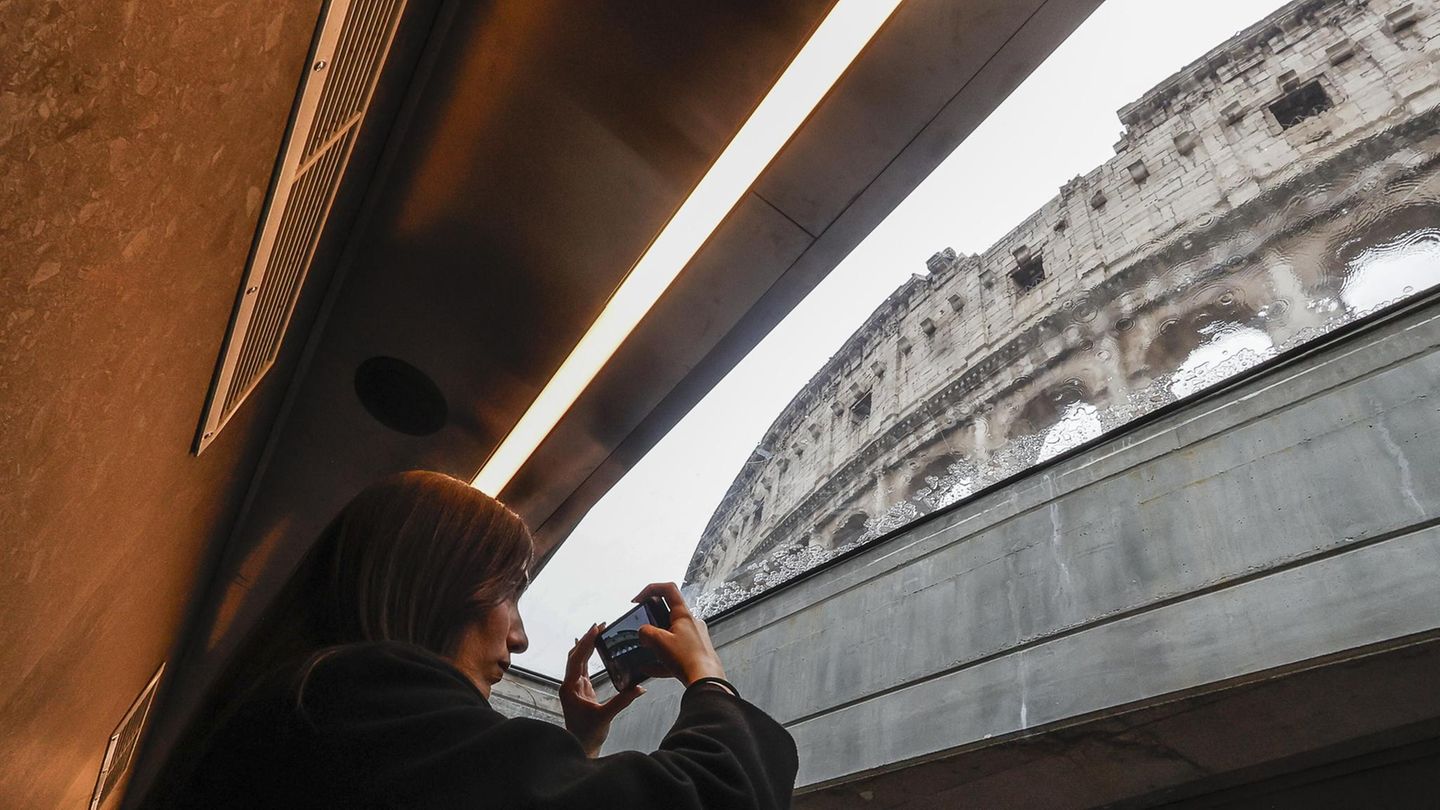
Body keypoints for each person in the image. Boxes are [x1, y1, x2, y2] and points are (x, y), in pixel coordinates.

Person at [160, 471, 797, 808]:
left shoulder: (309, 709)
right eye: (510, 595)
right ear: (441, 585)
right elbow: (714, 799)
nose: (520, 639)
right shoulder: (360, 700)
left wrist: (575, 749)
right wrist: (707, 676)